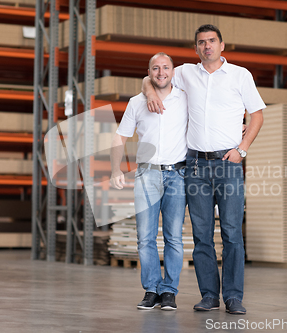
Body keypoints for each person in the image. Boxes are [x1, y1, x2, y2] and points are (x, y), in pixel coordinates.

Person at [142, 24, 265, 315]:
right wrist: (149, 91)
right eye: (201, 42)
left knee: (233, 233)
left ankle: (233, 296)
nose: (207, 46)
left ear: (222, 45)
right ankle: (209, 295)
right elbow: (152, 76)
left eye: (211, 41)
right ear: (195, 48)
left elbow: (257, 115)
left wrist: (243, 149)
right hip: (195, 165)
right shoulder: (185, 73)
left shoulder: (240, 75)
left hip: (228, 164)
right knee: (202, 235)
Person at [110, 52, 188, 311]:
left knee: (174, 237)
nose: (161, 72)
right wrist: (115, 169)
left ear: (173, 71)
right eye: (155, 68)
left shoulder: (185, 99)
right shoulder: (136, 102)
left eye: (166, 68)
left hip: (178, 174)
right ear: (149, 72)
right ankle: (151, 289)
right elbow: (120, 136)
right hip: (147, 174)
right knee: (145, 236)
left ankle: (170, 291)